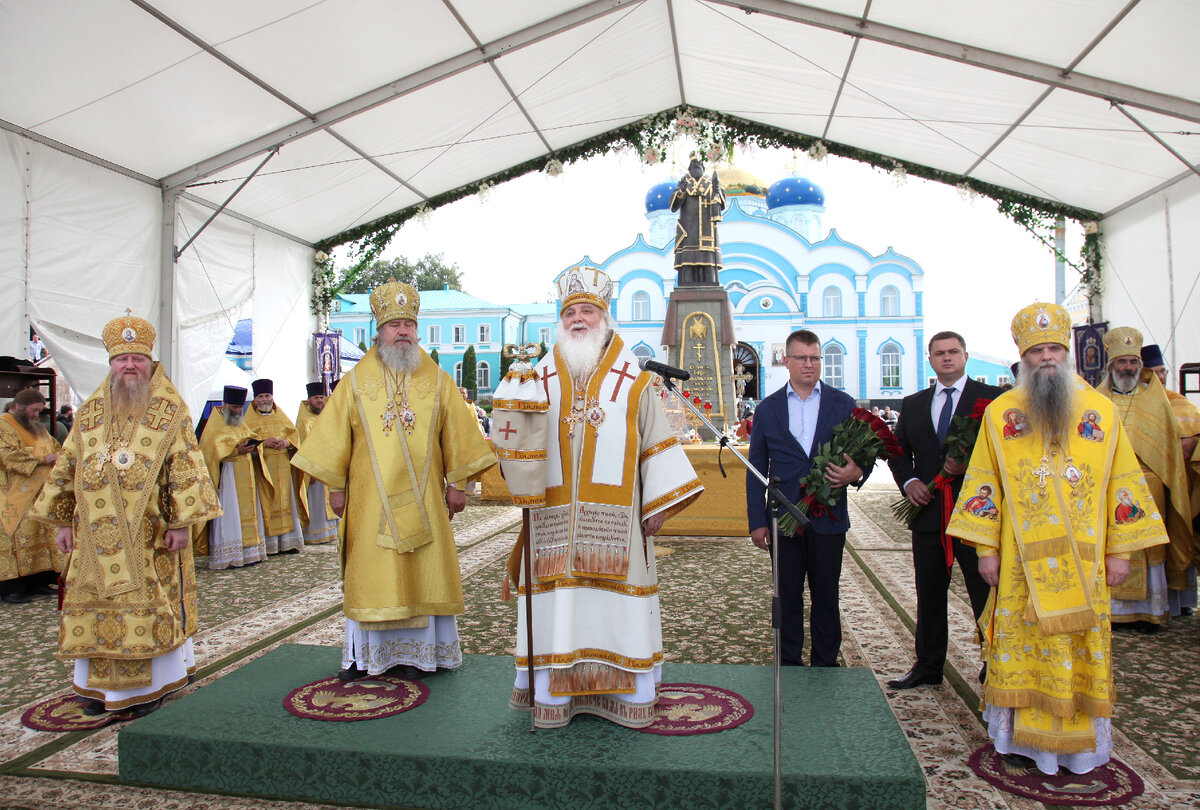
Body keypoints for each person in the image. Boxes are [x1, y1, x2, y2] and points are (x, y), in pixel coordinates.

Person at [947, 302, 1167, 775]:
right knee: (1026, 649)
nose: (1046, 358)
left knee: (1077, 650)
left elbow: (1122, 484)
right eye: (1036, 350)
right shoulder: (1003, 415)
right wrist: (986, 549)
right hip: (1019, 564)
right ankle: (1021, 742)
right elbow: (986, 482)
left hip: (1085, 566)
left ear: (1066, 353)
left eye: (1053, 348)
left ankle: (1080, 748)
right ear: (1022, 358)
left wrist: (1120, 551)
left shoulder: (1102, 413)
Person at [503, 264, 703, 728]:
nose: (578, 318)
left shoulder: (635, 380)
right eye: (570, 310)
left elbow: (657, 440)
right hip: (552, 520)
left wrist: (659, 505)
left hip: (617, 526)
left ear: (605, 316)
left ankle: (627, 694)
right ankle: (556, 697)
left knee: (613, 604)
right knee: (560, 605)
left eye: (588, 310)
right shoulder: (537, 379)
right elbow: (515, 442)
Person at [292, 280, 496, 681]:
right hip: (371, 505)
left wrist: (458, 484)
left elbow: (458, 432)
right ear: (378, 331)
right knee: (375, 574)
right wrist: (336, 487)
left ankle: (426, 655)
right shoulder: (354, 383)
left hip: (425, 503)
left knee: (425, 572)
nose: (402, 331)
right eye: (393, 325)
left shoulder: (437, 380)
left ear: (417, 330)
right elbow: (334, 437)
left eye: (408, 324)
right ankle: (373, 656)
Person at [30, 311, 220, 717]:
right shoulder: (90, 411)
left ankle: (149, 687)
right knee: (93, 606)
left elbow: (185, 465)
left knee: (145, 604)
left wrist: (183, 523)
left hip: (149, 534)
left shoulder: (169, 409)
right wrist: (63, 521)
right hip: (92, 540)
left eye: (137, 358)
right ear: (111, 364)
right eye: (122, 359)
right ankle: (94, 686)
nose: (129, 365)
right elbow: (67, 466)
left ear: (149, 363)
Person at [747, 329, 867, 667]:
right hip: (783, 518)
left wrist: (856, 472)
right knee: (786, 596)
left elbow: (863, 455)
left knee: (826, 594)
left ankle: (825, 663)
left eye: (815, 358)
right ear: (786, 361)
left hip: (828, 516)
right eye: (802, 358)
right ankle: (789, 662)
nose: (809, 364)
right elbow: (756, 469)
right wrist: (758, 522)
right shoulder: (769, 408)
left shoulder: (842, 404)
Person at [886, 331, 999, 689]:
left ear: (965, 355)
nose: (947, 358)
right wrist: (910, 482)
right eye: (939, 353)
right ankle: (928, 665)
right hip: (929, 513)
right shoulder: (915, 403)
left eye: (953, 352)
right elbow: (898, 451)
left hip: (978, 514)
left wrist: (969, 465)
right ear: (930, 360)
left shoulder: (993, 400)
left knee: (985, 592)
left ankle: (995, 664)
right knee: (929, 593)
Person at [1095, 327, 1195, 630]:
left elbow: (1169, 450)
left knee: (1148, 546)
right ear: (1111, 366)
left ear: (1140, 365)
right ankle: (1112, 611)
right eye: (1121, 362)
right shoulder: (1097, 401)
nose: (1127, 368)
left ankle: (1149, 612)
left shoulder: (1157, 401)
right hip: (1109, 486)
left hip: (1149, 485)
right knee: (1112, 547)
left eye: (1133, 362)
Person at [1141, 342, 1200, 616]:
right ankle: (1156, 604)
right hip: (1148, 488)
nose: (1160, 377)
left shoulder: (1179, 402)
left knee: (1178, 536)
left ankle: (1181, 601)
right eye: (1153, 372)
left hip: (1177, 487)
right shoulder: (1136, 405)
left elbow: (1192, 443)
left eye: (1163, 371)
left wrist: (1192, 440)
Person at [0, 388, 62, 604]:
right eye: (33, 410)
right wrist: (42, 459)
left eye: (39, 411)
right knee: (13, 540)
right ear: (17, 407)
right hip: (13, 494)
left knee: (40, 537)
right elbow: (6, 455)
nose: (37, 415)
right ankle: (12, 589)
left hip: (39, 493)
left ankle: (38, 582)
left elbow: (54, 446)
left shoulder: (36, 427)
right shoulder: (4, 425)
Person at [197, 385, 267, 569]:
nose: (237, 411)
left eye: (239, 407)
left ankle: (249, 553)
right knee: (231, 514)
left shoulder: (238, 421)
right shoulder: (214, 424)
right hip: (227, 476)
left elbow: (249, 436)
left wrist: (254, 446)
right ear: (224, 404)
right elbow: (210, 452)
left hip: (245, 473)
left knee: (247, 511)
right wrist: (236, 450)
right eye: (234, 407)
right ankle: (229, 556)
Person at [244, 379, 304, 555]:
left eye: (267, 395)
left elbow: (295, 437)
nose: (265, 399)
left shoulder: (281, 415)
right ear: (255, 399)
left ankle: (287, 543)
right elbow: (244, 442)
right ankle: (269, 545)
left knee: (286, 501)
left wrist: (286, 443)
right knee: (267, 502)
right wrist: (263, 443)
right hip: (263, 470)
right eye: (261, 396)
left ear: (272, 397)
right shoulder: (248, 419)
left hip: (283, 468)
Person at [670, 155, 726, 286]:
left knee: (708, 262)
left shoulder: (711, 182)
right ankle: (687, 285)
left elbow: (720, 201)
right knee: (687, 264)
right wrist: (681, 192)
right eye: (693, 166)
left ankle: (710, 284)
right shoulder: (684, 182)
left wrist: (717, 194)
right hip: (688, 228)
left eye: (698, 166)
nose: (696, 168)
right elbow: (674, 203)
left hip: (707, 230)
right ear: (689, 169)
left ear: (703, 168)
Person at [294, 382, 338, 545]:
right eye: (316, 398)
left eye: (321, 397)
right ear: (309, 399)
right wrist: (308, 471)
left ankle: (332, 532)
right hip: (313, 468)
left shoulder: (328, 414)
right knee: (316, 501)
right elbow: (301, 445)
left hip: (329, 465)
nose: (319, 401)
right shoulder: (304, 420)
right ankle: (314, 535)